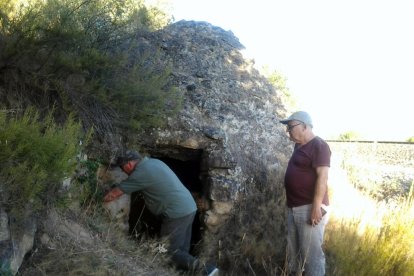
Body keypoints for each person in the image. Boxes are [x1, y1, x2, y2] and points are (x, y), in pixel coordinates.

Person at [104, 150, 219, 276]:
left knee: (169, 252)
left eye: (122, 168)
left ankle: (207, 270)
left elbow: (114, 193)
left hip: (176, 213)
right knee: (181, 253)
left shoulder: (141, 173)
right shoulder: (154, 163)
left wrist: (97, 198)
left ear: (128, 164)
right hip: (188, 208)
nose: (123, 171)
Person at [280, 111, 331, 276]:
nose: (288, 131)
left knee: (311, 256)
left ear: (305, 126)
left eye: (291, 127)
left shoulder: (320, 146)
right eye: (287, 128)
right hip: (293, 207)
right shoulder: (298, 145)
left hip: (309, 208)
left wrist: (316, 207)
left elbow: (322, 177)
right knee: (293, 253)